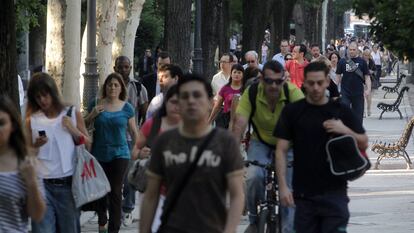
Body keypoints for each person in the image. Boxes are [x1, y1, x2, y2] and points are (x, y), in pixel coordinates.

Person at [140, 73, 244, 233]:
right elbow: (151, 195)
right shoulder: (164, 142)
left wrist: (229, 230)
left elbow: (237, 195)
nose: (191, 101)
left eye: (197, 96)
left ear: (211, 102)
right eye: (185, 96)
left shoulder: (226, 142)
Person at [274, 61, 368, 233]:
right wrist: (283, 187)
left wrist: (345, 130)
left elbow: (364, 141)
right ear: (304, 83)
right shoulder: (292, 112)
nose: (316, 88)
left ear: (327, 81)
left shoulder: (341, 111)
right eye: (311, 83)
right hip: (303, 196)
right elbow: (280, 150)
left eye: (319, 82)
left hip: (335, 194)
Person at [232, 60, 304, 233]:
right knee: (253, 177)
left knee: (288, 191)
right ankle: (254, 220)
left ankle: (287, 229)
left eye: (278, 81)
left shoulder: (293, 93)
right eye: (269, 81)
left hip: (288, 145)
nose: (274, 85)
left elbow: (305, 125)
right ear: (262, 79)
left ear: (284, 80)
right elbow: (239, 125)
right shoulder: (252, 93)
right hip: (260, 143)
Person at [26, 72, 90, 233]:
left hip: (67, 185)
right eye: (38, 97)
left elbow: (88, 143)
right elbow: (25, 153)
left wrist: (72, 129)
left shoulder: (70, 112)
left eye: (45, 95)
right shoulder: (31, 119)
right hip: (41, 186)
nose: (42, 100)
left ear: (53, 93)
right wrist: (35, 145)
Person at [85, 73, 138, 233]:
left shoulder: (127, 107)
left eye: (116, 85)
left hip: (120, 154)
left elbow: (134, 132)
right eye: (109, 85)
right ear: (105, 87)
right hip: (99, 154)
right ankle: (102, 220)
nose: (112, 87)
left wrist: (138, 151)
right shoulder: (95, 104)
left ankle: (113, 229)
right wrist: (92, 114)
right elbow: (84, 124)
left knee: (115, 191)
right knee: (101, 190)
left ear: (121, 87)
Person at [132, 85, 181, 232]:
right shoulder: (152, 125)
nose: (176, 106)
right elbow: (134, 151)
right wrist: (140, 154)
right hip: (154, 192)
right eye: (173, 102)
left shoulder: (193, 127)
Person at [0, 95, 46, 232]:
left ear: (12, 126)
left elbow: (37, 215)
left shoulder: (27, 164)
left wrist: (31, 182)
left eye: (1, 123)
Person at [113, 55, 149, 226]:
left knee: (128, 177)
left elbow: (144, 111)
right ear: (115, 68)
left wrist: (139, 135)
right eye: (120, 67)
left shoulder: (138, 87)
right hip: (111, 139)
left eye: (126, 67)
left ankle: (127, 209)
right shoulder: (110, 87)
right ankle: (114, 209)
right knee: (113, 177)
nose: (123, 70)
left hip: (129, 138)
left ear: (131, 68)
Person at [336, 41, 371, 124]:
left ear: (357, 50)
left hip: (358, 93)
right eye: (350, 49)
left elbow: (367, 76)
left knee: (358, 118)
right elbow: (338, 76)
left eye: (353, 49)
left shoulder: (362, 62)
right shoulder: (342, 62)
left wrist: (368, 89)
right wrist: (335, 90)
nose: (351, 51)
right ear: (348, 50)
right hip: (345, 93)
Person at [209, 63, 244, 128]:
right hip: (224, 120)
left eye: (239, 72)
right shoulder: (225, 88)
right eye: (235, 72)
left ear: (243, 75)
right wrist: (209, 121)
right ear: (231, 74)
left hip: (240, 120)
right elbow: (217, 106)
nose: (237, 74)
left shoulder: (245, 89)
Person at [362, 48, 377, 117]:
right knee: (362, 97)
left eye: (367, 55)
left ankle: (368, 109)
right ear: (363, 55)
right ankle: (363, 111)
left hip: (370, 81)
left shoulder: (371, 61)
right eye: (365, 55)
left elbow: (375, 70)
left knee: (369, 97)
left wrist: (372, 71)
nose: (366, 56)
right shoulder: (361, 61)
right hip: (362, 81)